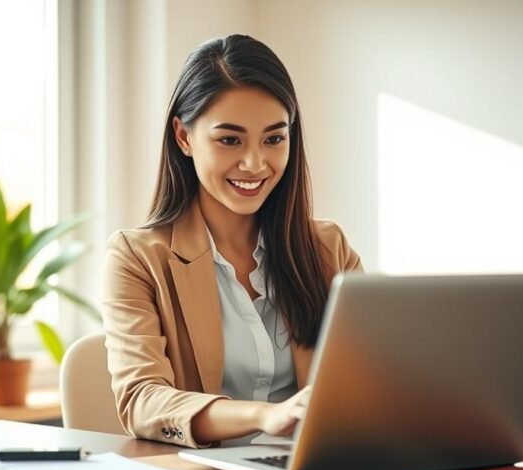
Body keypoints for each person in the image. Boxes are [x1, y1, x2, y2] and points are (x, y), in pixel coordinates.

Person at [102, 34, 362, 448]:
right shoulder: (137, 258)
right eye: (230, 140)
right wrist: (267, 416)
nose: (255, 163)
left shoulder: (328, 249)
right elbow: (142, 400)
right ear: (184, 138)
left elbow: (373, 379)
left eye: (274, 139)